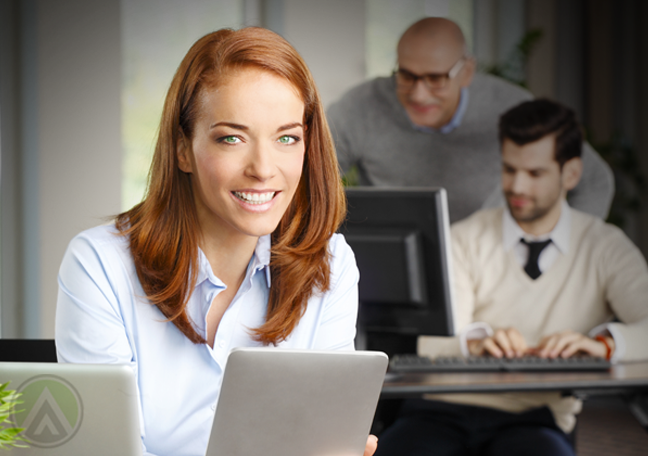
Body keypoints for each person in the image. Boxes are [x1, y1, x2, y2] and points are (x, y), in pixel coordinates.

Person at [55, 27, 377, 456]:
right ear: (182, 149)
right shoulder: (100, 264)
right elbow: (100, 451)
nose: (263, 168)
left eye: (287, 138)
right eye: (232, 138)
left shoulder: (330, 263)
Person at [374, 99, 648, 456]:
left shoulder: (606, 247)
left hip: (536, 418)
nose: (517, 186)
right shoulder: (462, 238)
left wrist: (605, 346)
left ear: (571, 174)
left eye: (535, 174)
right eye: (509, 169)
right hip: (438, 410)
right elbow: (432, 341)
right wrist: (475, 342)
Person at [327, 17, 614, 223]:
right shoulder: (361, 105)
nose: (419, 94)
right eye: (407, 75)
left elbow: (594, 180)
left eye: (436, 79)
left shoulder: (509, 106)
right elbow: (311, 173)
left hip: (490, 269)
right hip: (395, 259)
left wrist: (568, 250)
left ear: (466, 72)